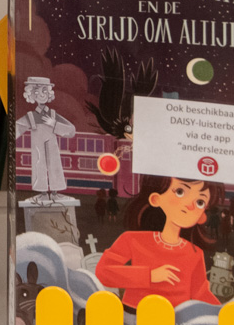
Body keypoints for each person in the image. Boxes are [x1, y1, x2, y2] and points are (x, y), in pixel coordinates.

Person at [94, 174, 220, 309]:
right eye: (180, 192)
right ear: (156, 199)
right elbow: (103, 272)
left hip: (177, 317)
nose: (190, 206)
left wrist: (222, 311)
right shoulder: (132, 239)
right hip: (136, 312)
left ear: (202, 216)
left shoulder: (195, 253)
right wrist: (149, 275)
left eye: (200, 202)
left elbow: (200, 293)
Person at [14, 75, 75, 202]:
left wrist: (54, 124)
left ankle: (55, 192)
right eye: (36, 92)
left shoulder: (53, 114)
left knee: (55, 163)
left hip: (52, 143)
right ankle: (42, 193)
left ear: (49, 93)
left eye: (44, 91)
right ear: (31, 95)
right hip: (37, 143)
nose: (41, 94)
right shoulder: (31, 116)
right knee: (38, 164)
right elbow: (17, 128)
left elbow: (71, 131)